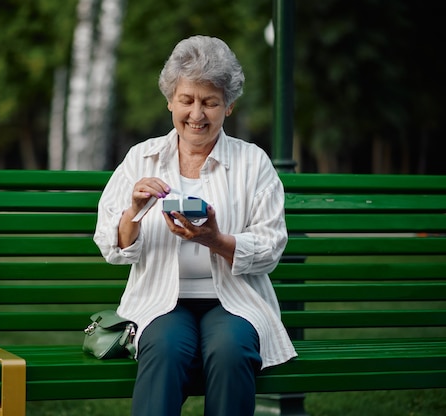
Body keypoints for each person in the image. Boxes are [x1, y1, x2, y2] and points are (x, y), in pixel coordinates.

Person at [93, 35, 297, 416]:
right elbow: (111, 246)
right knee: (165, 349)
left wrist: (216, 240)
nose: (197, 114)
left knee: (232, 350)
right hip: (160, 300)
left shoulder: (253, 163)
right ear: (170, 99)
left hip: (235, 301)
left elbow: (271, 246)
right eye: (187, 100)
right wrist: (134, 210)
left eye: (210, 102)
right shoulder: (142, 158)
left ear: (229, 106)